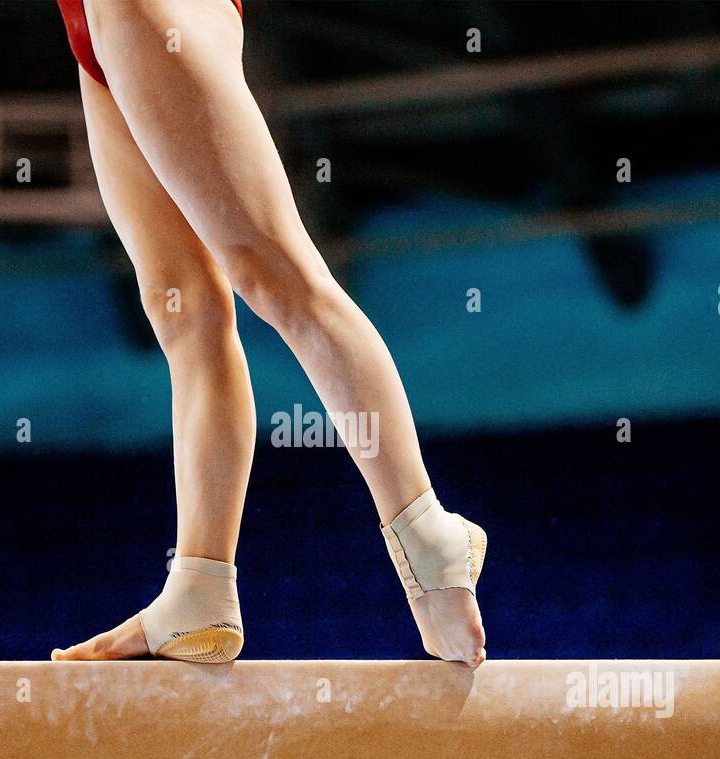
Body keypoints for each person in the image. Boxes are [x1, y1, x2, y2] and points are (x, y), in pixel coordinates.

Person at [50, 0, 487, 667]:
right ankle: (199, 583)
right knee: (183, 310)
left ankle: (426, 536)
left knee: (272, 272)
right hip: (88, 23)